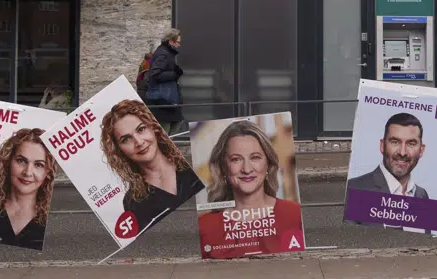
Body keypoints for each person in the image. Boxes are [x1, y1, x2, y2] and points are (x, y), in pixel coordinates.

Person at [197, 119, 305, 257]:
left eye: (255, 157)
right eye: (236, 159)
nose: (247, 169)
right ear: (223, 167)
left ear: (268, 164)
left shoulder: (294, 214)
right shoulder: (205, 226)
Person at [101, 98, 202, 232]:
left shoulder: (191, 166)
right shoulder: (133, 201)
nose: (139, 142)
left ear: (153, 127)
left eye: (141, 129)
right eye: (126, 139)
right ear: (119, 150)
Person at [0, 128, 55, 250]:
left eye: (38, 165)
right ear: (8, 162)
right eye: (21, 160)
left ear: (47, 172)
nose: (27, 172)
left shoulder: (52, 217)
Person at [347, 112, 429, 198]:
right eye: (395, 142)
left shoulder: (422, 194)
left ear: (421, 150)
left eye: (411, 144)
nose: (402, 152)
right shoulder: (355, 188)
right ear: (382, 146)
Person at [144, 28, 185, 135]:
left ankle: (167, 149)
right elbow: (155, 74)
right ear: (171, 41)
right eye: (178, 42)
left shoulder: (167, 53)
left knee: (176, 125)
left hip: (168, 99)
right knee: (165, 134)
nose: (179, 45)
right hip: (163, 100)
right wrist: (175, 74)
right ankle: (164, 150)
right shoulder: (163, 54)